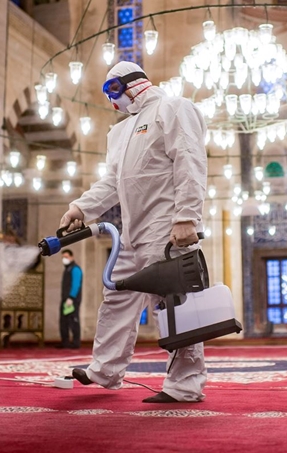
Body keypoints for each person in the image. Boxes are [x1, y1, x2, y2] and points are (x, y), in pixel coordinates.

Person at [59, 61, 208, 403]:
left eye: (113, 91)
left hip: (167, 227)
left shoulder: (173, 108)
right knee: (116, 294)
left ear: (127, 85)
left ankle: (185, 384)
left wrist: (187, 216)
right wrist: (81, 208)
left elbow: (189, 159)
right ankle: (106, 369)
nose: (112, 102)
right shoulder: (119, 132)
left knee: (173, 303)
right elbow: (112, 182)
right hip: (131, 230)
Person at [58, 249, 82, 349]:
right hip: (65, 299)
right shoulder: (67, 269)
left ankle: (76, 343)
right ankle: (65, 342)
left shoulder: (75, 269)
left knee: (73, 321)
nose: (64, 259)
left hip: (72, 300)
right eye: (63, 257)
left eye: (66, 257)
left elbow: (76, 284)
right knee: (63, 321)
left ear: (72, 257)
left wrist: (71, 297)